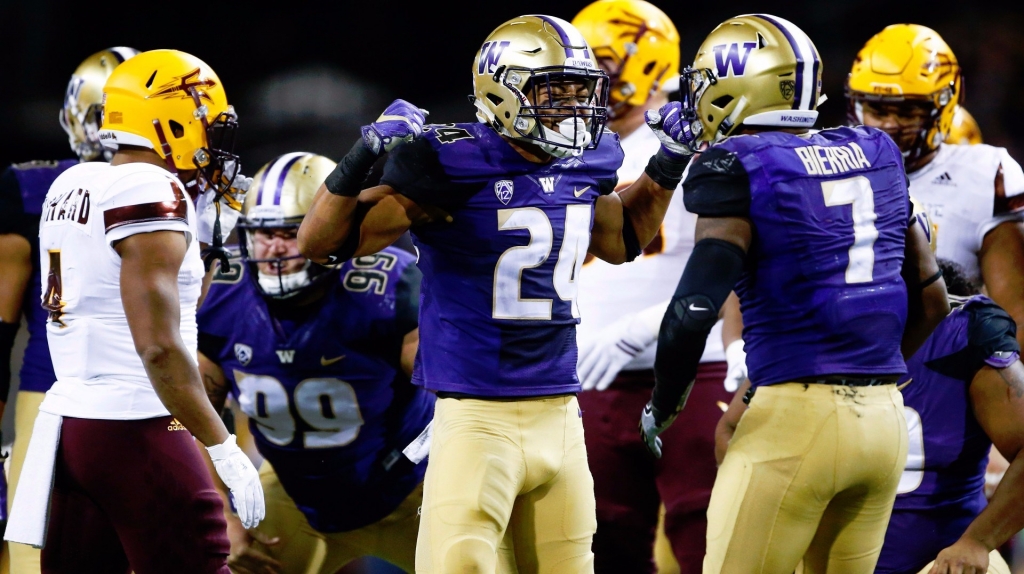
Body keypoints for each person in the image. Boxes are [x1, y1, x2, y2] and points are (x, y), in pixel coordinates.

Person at [298, 14, 696, 572]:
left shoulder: (590, 158)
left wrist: (667, 164)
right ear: (503, 90)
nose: (573, 108)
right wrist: (361, 156)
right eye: (554, 92)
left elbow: (622, 238)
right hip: (476, 415)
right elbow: (321, 245)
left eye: (580, 91)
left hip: (561, 411)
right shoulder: (449, 160)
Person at [639, 14, 949, 573]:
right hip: (885, 425)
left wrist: (664, 404)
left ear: (739, 85)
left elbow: (693, 312)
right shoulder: (877, 150)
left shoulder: (737, 163)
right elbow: (933, 298)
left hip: (793, 422)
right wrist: (867, 375)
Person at [4, 49, 263, 573]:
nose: (210, 133)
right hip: (138, 422)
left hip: (72, 425)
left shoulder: (71, 184)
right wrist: (222, 445)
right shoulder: (150, 189)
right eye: (202, 119)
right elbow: (159, 344)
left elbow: (168, 305)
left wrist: (208, 238)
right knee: (203, 562)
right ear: (168, 118)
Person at [197, 152, 431, 574]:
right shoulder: (221, 293)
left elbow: (458, 390)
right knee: (216, 556)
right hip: (294, 496)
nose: (275, 249)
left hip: (408, 495)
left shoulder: (388, 290)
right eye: (263, 234)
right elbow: (191, 418)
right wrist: (222, 517)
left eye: (292, 232)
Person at [569, 2, 733, 571]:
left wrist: (647, 328)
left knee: (708, 534)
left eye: (601, 63)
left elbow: (734, 262)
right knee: (602, 539)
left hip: (693, 368)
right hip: (593, 374)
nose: (586, 79)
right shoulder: (560, 150)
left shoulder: (697, 141)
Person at [0, 46, 138, 574]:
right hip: (56, 390)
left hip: (157, 389)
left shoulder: (188, 194)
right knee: (39, 557)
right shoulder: (29, 189)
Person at [846, 24, 1024, 349]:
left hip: (946, 363)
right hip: (849, 354)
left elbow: (1017, 312)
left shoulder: (985, 173)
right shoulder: (832, 164)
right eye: (877, 109)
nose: (888, 125)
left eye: (907, 111)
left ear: (945, 104)